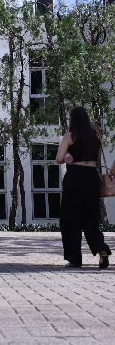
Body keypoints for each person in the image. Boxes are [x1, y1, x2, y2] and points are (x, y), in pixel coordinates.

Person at [56, 106, 111, 269]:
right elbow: (98, 158)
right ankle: (102, 251)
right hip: (92, 177)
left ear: (72, 120)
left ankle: (75, 259)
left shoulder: (69, 136)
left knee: (70, 219)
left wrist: (67, 156)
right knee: (91, 218)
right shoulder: (96, 135)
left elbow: (59, 158)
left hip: (75, 177)